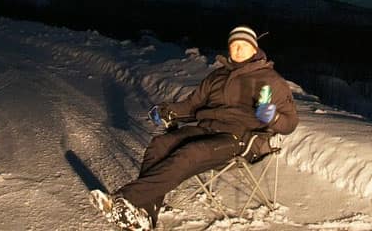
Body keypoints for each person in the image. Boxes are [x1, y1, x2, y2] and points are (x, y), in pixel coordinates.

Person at [90, 25, 299, 230]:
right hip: (206, 129)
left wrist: (273, 117)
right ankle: (145, 215)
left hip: (240, 138)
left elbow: (290, 123)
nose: (237, 50)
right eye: (234, 45)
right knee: (160, 144)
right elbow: (192, 105)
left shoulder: (270, 80)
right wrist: (168, 111)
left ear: (255, 49)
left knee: (190, 152)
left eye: (243, 45)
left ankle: (124, 198)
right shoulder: (217, 77)